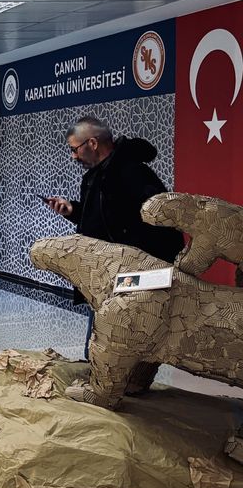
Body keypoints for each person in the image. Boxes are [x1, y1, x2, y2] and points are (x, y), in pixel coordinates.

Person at [43, 117, 183, 352]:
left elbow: (161, 220)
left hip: (128, 277)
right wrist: (73, 210)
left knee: (112, 349)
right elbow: (103, 219)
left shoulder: (132, 173)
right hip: (105, 277)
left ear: (92, 143)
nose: (73, 156)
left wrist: (135, 266)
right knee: (98, 346)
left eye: (74, 149)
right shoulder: (95, 176)